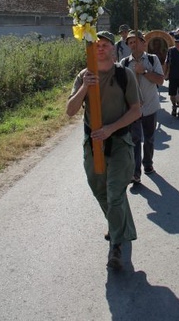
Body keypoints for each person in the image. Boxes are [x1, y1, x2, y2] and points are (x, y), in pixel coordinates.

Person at [66, 30, 141, 271]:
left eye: (106, 44)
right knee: (100, 190)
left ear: (114, 49)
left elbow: (136, 110)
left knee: (115, 192)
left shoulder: (124, 74)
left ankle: (116, 247)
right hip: (93, 144)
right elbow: (70, 111)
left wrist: (111, 128)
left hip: (119, 142)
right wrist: (85, 88)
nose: (100, 48)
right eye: (96, 44)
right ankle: (117, 224)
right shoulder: (83, 75)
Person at [120, 30, 164, 183]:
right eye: (130, 42)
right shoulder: (124, 63)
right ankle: (135, 172)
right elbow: (120, 87)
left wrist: (143, 71)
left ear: (143, 43)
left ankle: (148, 164)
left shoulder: (152, 60)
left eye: (135, 41)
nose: (132, 44)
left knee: (149, 139)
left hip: (150, 107)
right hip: (133, 110)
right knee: (135, 140)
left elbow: (160, 80)